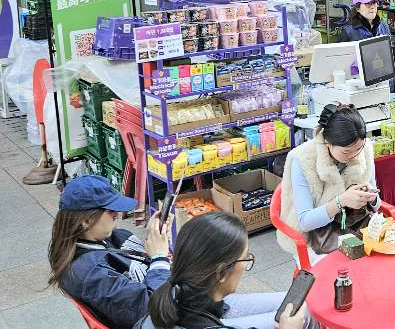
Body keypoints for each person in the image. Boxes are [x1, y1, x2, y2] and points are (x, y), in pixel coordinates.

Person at [135, 213, 306, 329]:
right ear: (221, 273)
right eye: (246, 258)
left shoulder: (168, 298)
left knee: (297, 306)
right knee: (303, 315)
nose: (246, 266)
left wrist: (158, 258)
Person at [48, 176, 171, 329]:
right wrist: (159, 258)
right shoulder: (89, 274)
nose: (117, 214)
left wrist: (154, 236)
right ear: (85, 221)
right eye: (111, 210)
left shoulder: (101, 239)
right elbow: (154, 310)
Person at [278, 104, 381, 264]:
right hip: (317, 239)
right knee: (343, 273)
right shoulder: (302, 160)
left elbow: (377, 202)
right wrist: (341, 202)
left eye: (358, 149)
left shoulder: (364, 148)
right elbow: (305, 222)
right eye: (346, 151)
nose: (353, 155)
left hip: (357, 228)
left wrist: (371, 197)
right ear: (327, 142)